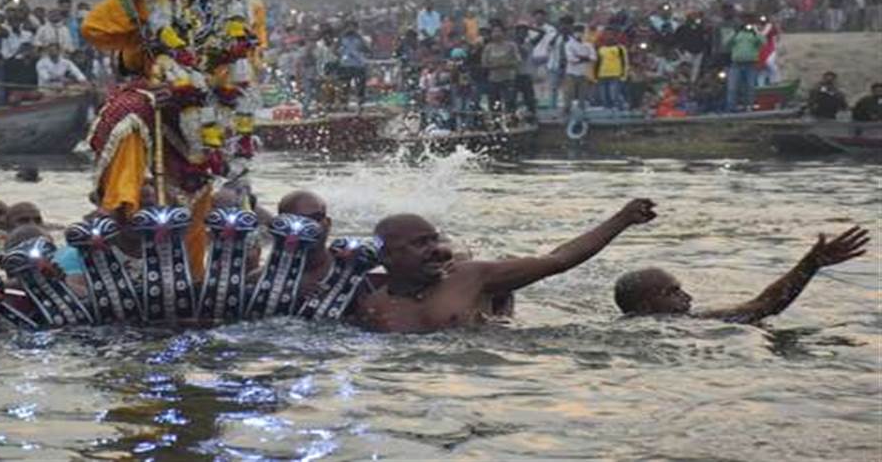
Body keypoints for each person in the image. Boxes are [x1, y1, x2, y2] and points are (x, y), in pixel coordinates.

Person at [81, 0, 266, 279]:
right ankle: (120, 211)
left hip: (212, 113)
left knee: (199, 202)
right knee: (130, 113)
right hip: (154, 101)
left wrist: (207, 92)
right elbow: (95, 31)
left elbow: (248, 64)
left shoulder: (246, 2)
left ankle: (195, 283)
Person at [353, 199, 657, 333]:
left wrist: (622, 219)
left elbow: (558, 261)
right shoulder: (371, 306)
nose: (437, 251)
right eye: (421, 244)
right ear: (388, 258)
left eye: (435, 240)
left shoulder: (470, 277)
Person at [614, 226, 869, 323]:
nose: (688, 297)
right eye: (674, 292)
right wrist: (810, 264)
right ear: (646, 305)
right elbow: (764, 306)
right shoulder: (687, 323)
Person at [724, 15, 764, 112]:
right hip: (736, 64)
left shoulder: (754, 33)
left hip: (751, 64)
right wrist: (735, 32)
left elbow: (763, 42)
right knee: (732, 87)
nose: (746, 25)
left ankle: (749, 107)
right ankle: (731, 108)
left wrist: (755, 32)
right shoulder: (736, 33)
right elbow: (726, 43)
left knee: (750, 87)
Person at [480, 21, 520, 111]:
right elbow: (484, 64)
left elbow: (517, 61)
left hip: (508, 79)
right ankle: (496, 123)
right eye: (494, 32)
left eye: (499, 31)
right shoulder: (488, 47)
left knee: (510, 103)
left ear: (504, 33)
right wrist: (497, 65)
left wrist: (504, 64)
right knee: (495, 105)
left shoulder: (511, 46)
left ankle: (511, 123)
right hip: (493, 80)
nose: (497, 34)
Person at [562, 23, 595, 112]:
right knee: (569, 94)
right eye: (577, 31)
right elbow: (571, 59)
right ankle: (566, 111)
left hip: (583, 73)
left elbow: (593, 58)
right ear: (573, 32)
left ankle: (582, 112)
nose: (579, 33)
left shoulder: (588, 45)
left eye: (581, 31)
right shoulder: (569, 44)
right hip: (571, 73)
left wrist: (579, 57)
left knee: (583, 95)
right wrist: (585, 58)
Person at [594, 29, 629, 111]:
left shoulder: (620, 48)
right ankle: (607, 110)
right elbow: (597, 63)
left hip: (615, 74)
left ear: (615, 37)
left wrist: (624, 75)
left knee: (614, 95)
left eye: (611, 35)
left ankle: (620, 109)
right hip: (602, 75)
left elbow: (625, 62)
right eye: (607, 35)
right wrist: (595, 75)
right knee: (604, 97)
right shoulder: (601, 49)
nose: (609, 37)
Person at [337, 21, 370, 107]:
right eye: (349, 27)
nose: (351, 29)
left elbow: (366, 49)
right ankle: (344, 103)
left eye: (353, 27)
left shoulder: (359, 38)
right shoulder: (342, 38)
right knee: (345, 84)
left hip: (358, 64)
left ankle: (360, 102)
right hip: (346, 64)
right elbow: (335, 49)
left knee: (360, 84)